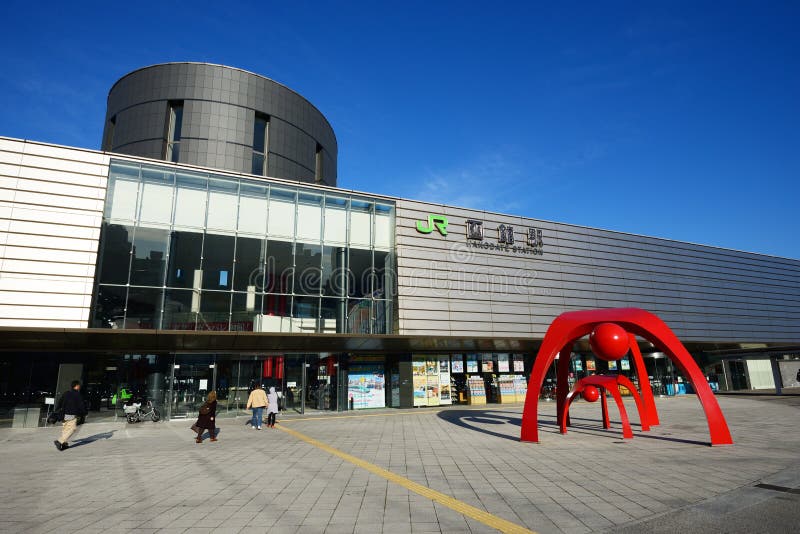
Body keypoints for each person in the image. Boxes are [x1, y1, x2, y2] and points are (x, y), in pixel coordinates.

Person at [54, 380, 87, 451]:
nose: (79, 387)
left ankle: (64, 444)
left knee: (65, 429)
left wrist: (57, 410)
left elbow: (60, 402)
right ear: (77, 386)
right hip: (71, 415)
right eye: (79, 386)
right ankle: (60, 441)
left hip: (63, 415)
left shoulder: (66, 393)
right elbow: (81, 405)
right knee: (72, 429)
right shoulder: (77, 394)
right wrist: (84, 413)